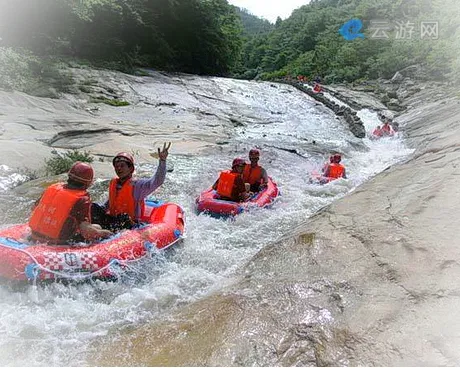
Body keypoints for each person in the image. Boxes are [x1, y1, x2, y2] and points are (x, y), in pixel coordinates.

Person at [91, 142, 171, 231]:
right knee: (93, 207)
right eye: (116, 166)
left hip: (130, 224)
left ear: (131, 169)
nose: (119, 169)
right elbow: (110, 203)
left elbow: (157, 182)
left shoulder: (137, 185)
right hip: (113, 221)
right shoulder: (114, 183)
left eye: (122, 166)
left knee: (123, 217)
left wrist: (162, 161)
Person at [29, 162, 113, 245]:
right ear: (88, 183)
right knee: (98, 228)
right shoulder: (82, 199)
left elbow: (34, 208)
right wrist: (104, 233)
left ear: (69, 176)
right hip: (56, 242)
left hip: (34, 236)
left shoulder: (53, 187)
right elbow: (86, 232)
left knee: (95, 226)